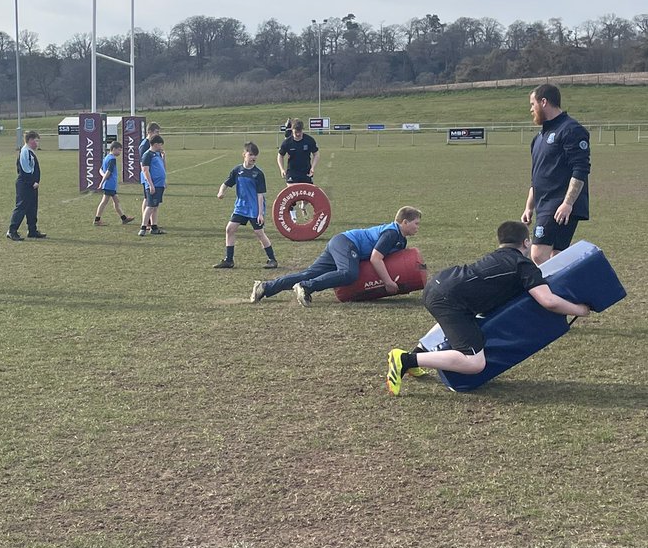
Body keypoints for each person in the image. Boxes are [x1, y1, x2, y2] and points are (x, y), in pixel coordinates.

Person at [385, 220, 591, 396]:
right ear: (526, 242)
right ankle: (405, 359)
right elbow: (548, 301)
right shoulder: (522, 265)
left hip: (439, 284)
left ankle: (414, 359)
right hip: (449, 299)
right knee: (474, 362)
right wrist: (579, 310)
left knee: (455, 323)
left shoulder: (499, 257)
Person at [249, 206, 422, 306]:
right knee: (349, 273)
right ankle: (306, 287)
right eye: (416, 223)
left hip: (341, 243)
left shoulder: (401, 240)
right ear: (404, 222)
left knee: (310, 272)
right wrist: (388, 282)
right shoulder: (392, 233)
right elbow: (375, 258)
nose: (417, 227)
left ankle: (265, 287)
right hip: (347, 243)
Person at [520, 83, 591, 265]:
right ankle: (564, 292)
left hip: (559, 204)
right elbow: (536, 176)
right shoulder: (538, 139)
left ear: (543, 102)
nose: (531, 109)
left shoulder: (571, 130)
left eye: (532, 104)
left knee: (537, 254)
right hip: (544, 205)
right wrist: (529, 207)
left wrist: (568, 203)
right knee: (556, 256)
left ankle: (550, 293)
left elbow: (580, 169)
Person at [214, 142, 278, 269]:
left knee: (259, 233)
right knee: (229, 229)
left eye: (255, 155)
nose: (253, 158)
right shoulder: (237, 171)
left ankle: (272, 260)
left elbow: (260, 195)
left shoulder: (258, 174)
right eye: (251, 155)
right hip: (241, 208)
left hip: (254, 209)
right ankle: (229, 260)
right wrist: (221, 192)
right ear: (244, 154)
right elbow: (226, 183)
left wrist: (260, 213)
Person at [7, 130, 45, 240]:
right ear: (30, 140)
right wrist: (32, 182)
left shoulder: (30, 152)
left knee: (32, 207)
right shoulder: (25, 152)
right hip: (25, 184)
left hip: (31, 184)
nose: (37, 143)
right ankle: (12, 231)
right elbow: (25, 170)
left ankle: (32, 230)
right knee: (21, 207)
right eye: (36, 141)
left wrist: (36, 181)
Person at [93, 141, 131, 226]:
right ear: (113, 149)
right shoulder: (112, 159)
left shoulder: (106, 157)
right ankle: (97, 220)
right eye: (119, 150)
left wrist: (103, 178)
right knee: (104, 202)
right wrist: (102, 182)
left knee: (116, 201)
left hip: (110, 184)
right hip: (110, 184)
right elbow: (108, 172)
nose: (120, 152)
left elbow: (101, 170)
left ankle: (124, 218)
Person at [277, 118, 320, 186]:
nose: (298, 134)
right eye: (296, 132)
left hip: (306, 172)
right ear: (292, 129)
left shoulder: (309, 140)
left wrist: (313, 167)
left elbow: (316, 154)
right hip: (292, 173)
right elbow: (280, 155)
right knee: (293, 194)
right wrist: (282, 169)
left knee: (306, 195)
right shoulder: (287, 142)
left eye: (299, 131)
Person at [139, 135, 167, 237]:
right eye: (160, 144)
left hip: (159, 184)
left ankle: (154, 227)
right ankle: (143, 227)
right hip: (153, 184)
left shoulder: (157, 154)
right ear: (155, 144)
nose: (161, 146)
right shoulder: (148, 155)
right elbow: (145, 170)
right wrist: (151, 185)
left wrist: (164, 158)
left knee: (155, 206)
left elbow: (162, 167)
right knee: (150, 206)